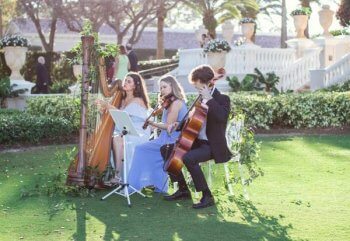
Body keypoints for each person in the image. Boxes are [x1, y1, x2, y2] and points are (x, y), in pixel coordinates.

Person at [161, 65, 232, 209]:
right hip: (197, 142)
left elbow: (221, 117)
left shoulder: (222, 99)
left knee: (188, 158)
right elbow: (192, 122)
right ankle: (183, 189)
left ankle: (207, 196)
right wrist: (178, 125)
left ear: (208, 84)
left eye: (199, 87)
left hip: (213, 145)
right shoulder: (200, 99)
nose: (198, 91)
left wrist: (209, 98)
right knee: (166, 149)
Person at [127, 75, 188, 193]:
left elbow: (168, 126)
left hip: (172, 139)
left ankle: (141, 183)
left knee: (141, 150)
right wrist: (158, 110)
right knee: (143, 150)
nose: (162, 90)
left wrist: (151, 123)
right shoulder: (170, 102)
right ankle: (155, 183)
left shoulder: (176, 103)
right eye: (160, 88)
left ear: (172, 86)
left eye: (164, 87)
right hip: (165, 138)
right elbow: (161, 113)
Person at [96, 72, 150, 184]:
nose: (125, 83)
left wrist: (107, 105)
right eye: (125, 80)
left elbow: (122, 115)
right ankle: (109, 173)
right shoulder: (121, 99)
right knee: (112, 138)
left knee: (117, 139)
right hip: (125, 129)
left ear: (135, 86)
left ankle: (117, 175)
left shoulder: (138, 100)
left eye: (129, 81)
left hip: (138, 133)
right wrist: (103, 111)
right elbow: (118, 118)